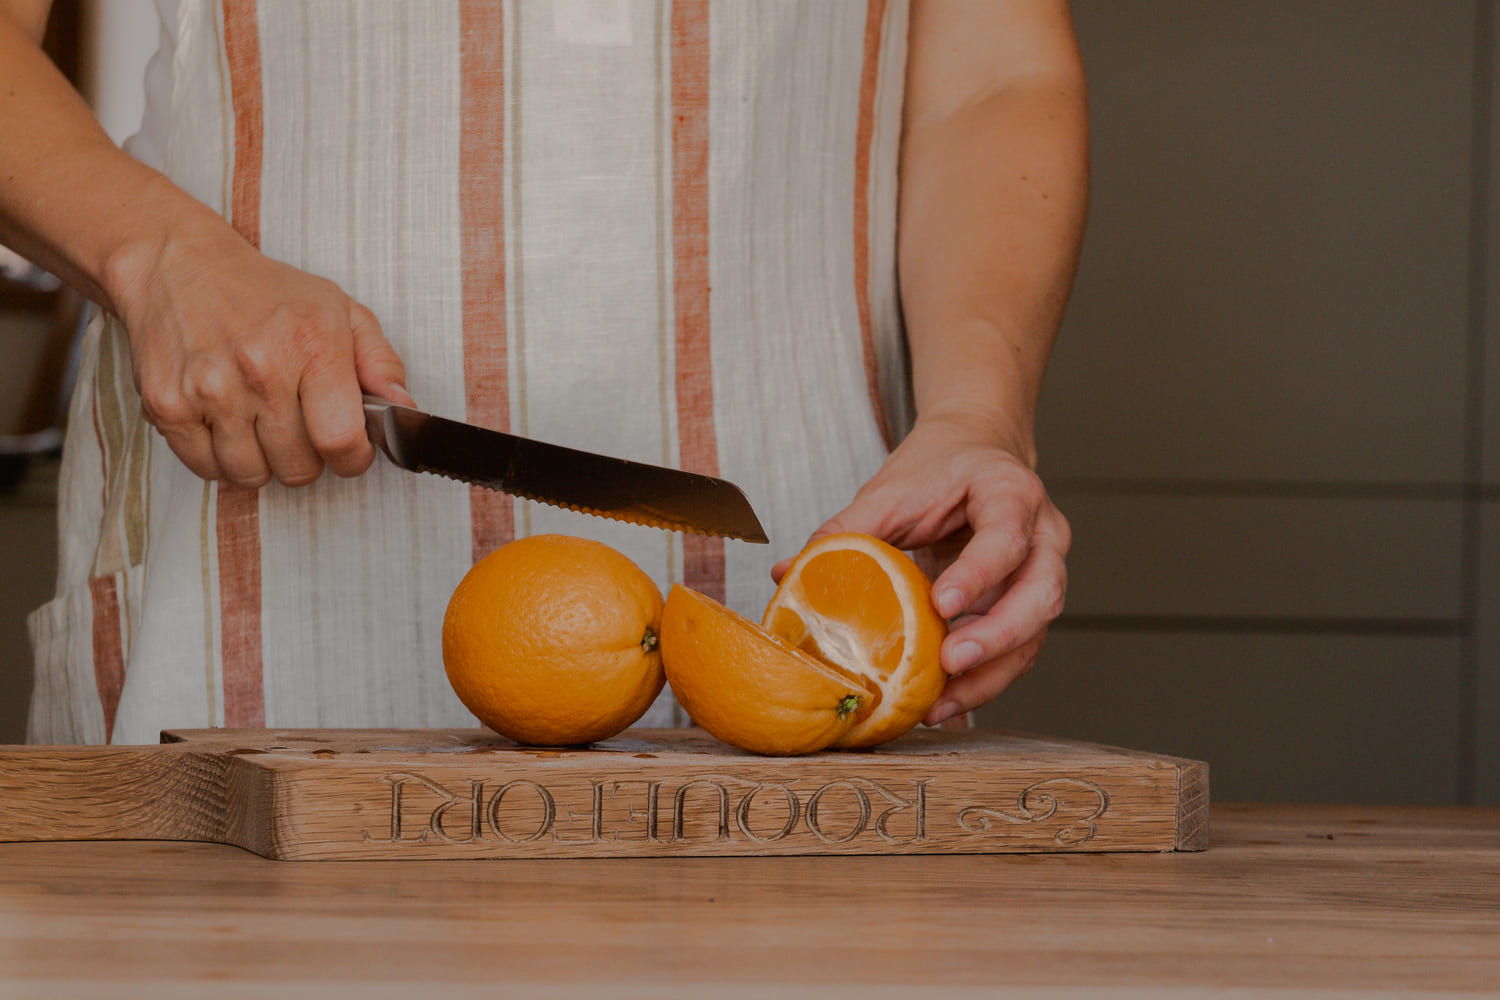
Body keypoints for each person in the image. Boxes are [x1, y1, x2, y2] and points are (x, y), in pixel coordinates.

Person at [0, 0, 1084, 744]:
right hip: (246, 574)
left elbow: (994, 73)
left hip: (810, 563)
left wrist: (977, 409)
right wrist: (157, 257)